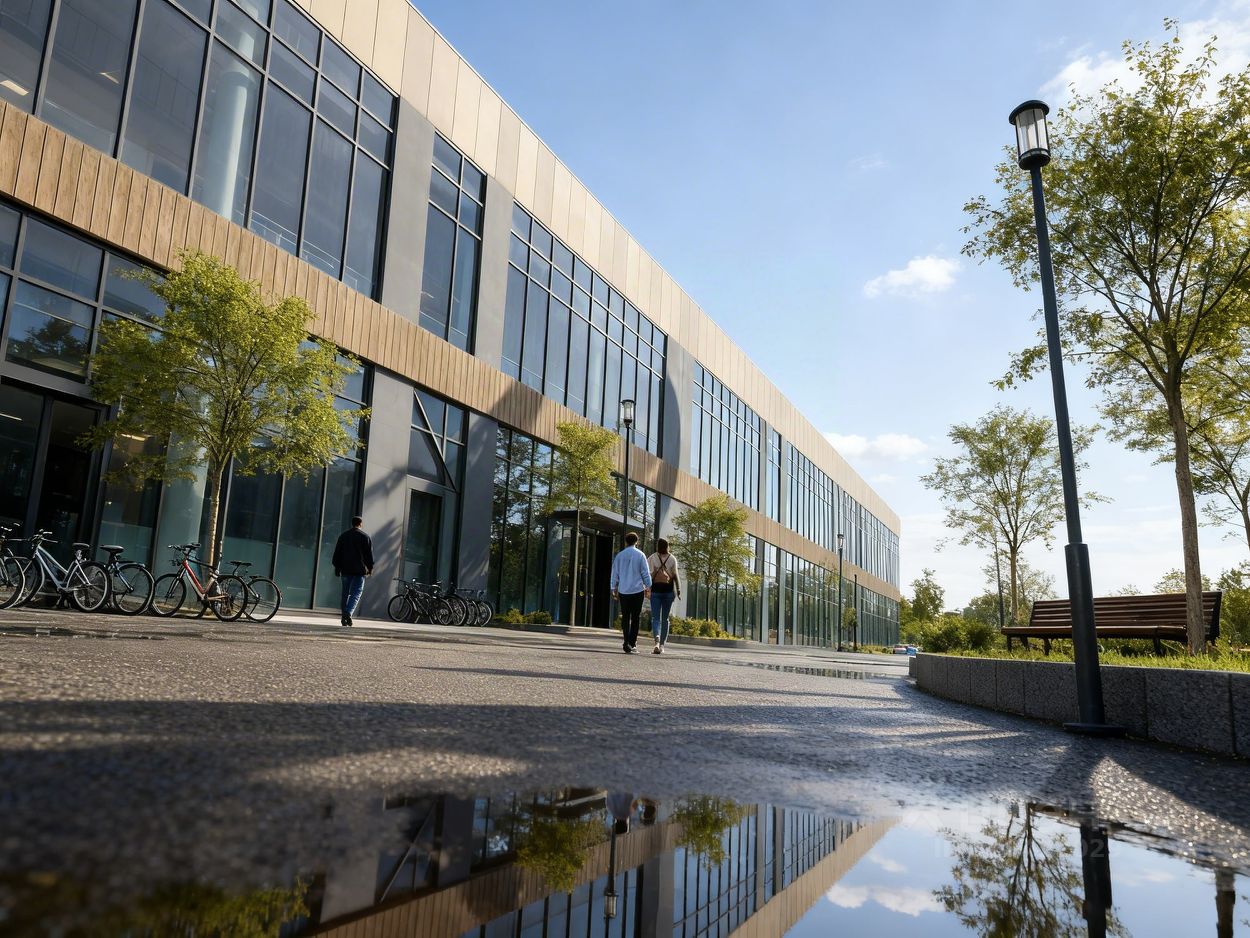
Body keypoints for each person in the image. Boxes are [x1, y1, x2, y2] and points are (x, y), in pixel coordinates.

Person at [611, 531, 651, 653]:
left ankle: (626, 641)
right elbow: (645, 572)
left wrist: (613, 587)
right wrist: (648, 586)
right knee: (635, 617)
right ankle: (632, 644)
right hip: (637, 590)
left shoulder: (619, 556)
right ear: (636, 542)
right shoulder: (641, 555)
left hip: (623, 590)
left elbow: (615, 573)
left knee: (625, 616)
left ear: (626, 541)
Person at [331, 515, 374, 626]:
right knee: (356, 593)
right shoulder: (365, 537)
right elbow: (368, 556)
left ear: (352, 523)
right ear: (361, 524)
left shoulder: (343, 536)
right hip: (359, 570)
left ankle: (344, 616)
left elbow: (337, 554)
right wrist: (370, 568)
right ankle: (348, 613)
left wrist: (337, 567)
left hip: (345, 569)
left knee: (345, 594)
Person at [647, 537, 680, 654]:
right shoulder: (672, 558)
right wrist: (678, 590)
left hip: (656, 591)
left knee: (655, 618)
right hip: (668, 591)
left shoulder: (652, 558)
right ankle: (662, 645)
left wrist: (647, 588)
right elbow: (675, 576)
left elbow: (648, 574)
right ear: (667, 546)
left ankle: (656, 640)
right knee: (665, 619)